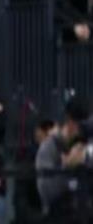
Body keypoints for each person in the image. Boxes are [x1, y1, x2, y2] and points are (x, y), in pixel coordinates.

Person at [35, 95, 91, 223]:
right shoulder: (50, 147)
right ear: (70, 122)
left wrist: (87, 158)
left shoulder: (89, 145)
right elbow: (46, 193)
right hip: (58, 216)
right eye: (80, 125)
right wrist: (66, 168)